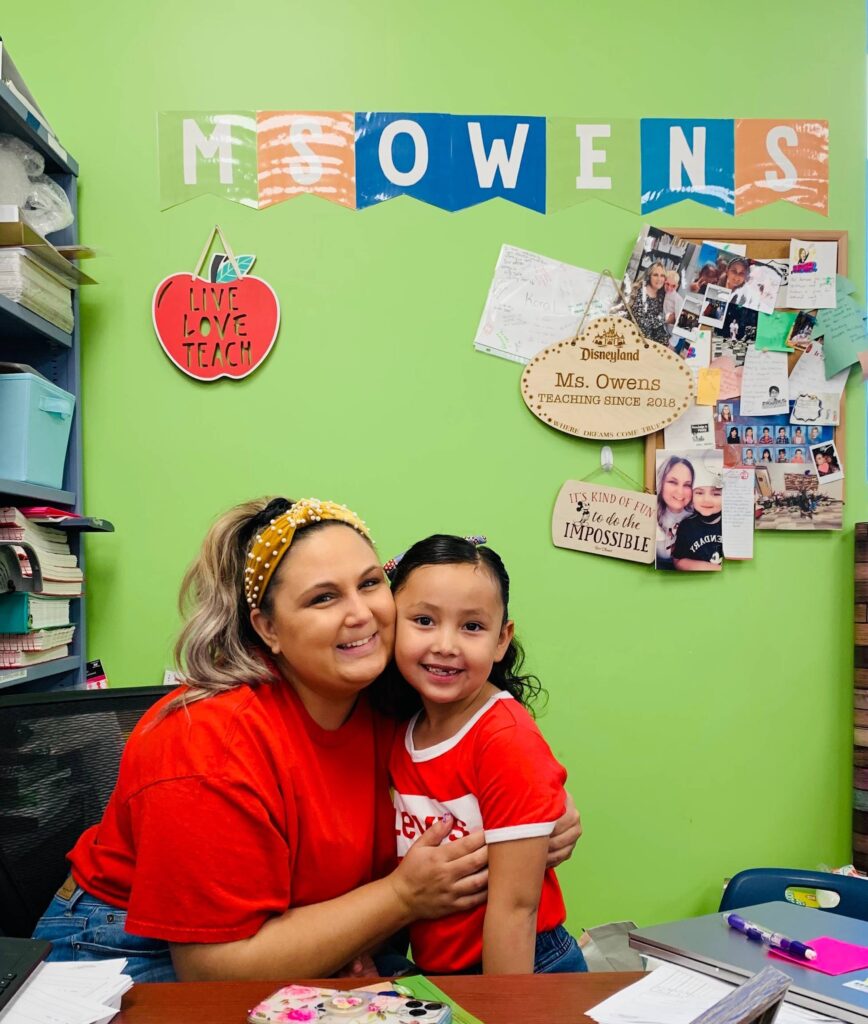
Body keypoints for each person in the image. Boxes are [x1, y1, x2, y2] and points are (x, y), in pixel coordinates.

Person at [32, 497, 580, 982]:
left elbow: (488, 751)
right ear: (268, 628)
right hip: (130, 951)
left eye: (369, 584)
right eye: (323, 598)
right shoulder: (208, 743)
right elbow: (210, 969)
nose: (360, 613)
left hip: (318, 924)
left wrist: (542, 817)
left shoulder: (389, 698)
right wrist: (400, 898)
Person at [383, 535, 585, 976]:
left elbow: (515, 910)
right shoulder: (402, 727)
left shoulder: (504, 738)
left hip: (523, 967)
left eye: (472, 626)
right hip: (448, 971)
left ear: (501, 639)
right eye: (423, 620)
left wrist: (499, 1011)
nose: (446, 645)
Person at [671, 467, 723, 572]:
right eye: (699, 493)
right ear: (691, 496)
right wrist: (715, 568)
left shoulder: (732, 524)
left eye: (716, 494)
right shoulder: (686, 526)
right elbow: (678, 561)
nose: (706, 499)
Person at [655, 456, 693, 570]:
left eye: (687, 485)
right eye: (673, 482)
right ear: (660, 482)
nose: (680, 492)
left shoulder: (697, 517)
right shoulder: (649, 513)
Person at [629, 261, 668, 344]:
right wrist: (665, 319)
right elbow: (642, 323)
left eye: (662, 276)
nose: (659, 279)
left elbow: (658, 327)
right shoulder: (639, 292)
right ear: (649, 276)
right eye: (655, 275)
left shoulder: (661, 296)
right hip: (634, 338)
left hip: (649, 341)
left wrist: (665, 342)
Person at [662, 270, 681, 335]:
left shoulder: (678, 299)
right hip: (666, 330)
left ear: (677, 286)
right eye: (667, 284)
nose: (669, 287)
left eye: (673, 286)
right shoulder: (664, 294)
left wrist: (674, 340)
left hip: (674, 334)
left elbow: (679, 320)